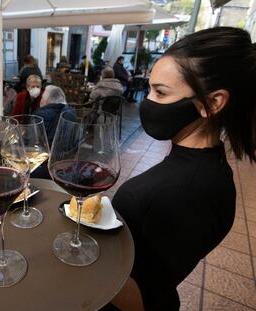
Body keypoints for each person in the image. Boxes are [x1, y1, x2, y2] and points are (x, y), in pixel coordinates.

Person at [106, 27, 256, 311]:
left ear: (212, 103)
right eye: (150, 89)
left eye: (160, 93)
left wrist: (81, 255)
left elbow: (141, 299)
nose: (148, 102)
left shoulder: (187, 193)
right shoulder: (200, 164)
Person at [32, 85, 75, 179]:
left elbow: (30, 145)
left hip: (44, 168)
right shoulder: (72, 114)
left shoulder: (40, 116)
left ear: (47, 101)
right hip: (67, 166)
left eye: (42, 97)